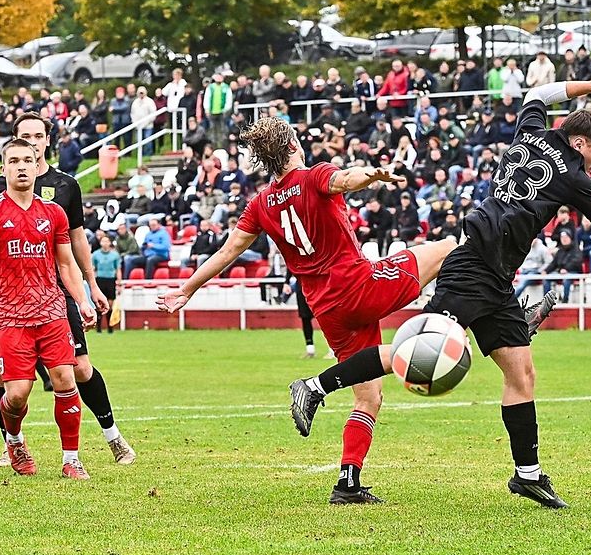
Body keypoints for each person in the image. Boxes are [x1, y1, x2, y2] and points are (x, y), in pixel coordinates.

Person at [287, 65, 591, 509]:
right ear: (579, 143)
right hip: (472, 264)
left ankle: (527, 474)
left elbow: (539, 92)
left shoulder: (532, 130)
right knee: (415, 349)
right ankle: (315, 386)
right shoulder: (574, 177)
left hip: (496, 278)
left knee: (522, 373)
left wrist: (589, 87)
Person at [156, 116, 474, 505]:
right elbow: (343, 180)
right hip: (358, 285)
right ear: (291, 147)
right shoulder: (311, 175)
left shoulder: (259, 204)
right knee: (450, 249)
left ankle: (348, 482)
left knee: (369, 396)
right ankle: (467, 318)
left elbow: (226, 252)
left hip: (327, 308)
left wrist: (186, 290)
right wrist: (371, 176)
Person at [0, 112, 137, 466]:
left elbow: (77, 242)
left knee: (79, 368)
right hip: (12, 300)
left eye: (38, 136)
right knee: (1, 377)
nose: (32, 143)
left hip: (57, 293)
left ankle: (112, 436)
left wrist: (91, 286)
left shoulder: (66, 185)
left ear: (48, 141)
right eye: (25, 137)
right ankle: (12, 445)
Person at [0, 139, 95, 479]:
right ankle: (15, 440)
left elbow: (66, 265)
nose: (21, 166)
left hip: (51, 311)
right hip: (10, 316)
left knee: (66, 378)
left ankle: (71, 459)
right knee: (16, 394)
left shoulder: (54, 213)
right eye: (13, 160)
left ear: (37, 166)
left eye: (27, 160)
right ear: (3, 169)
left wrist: (83, 298)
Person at [91, 233, 121, 333]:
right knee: (99, 304)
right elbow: (93, 268)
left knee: (110, 303)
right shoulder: (95, 254)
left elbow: (118, 269)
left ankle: (110, 327)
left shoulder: (115, 255)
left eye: (107, 241)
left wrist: (119, 283)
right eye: (103, 241)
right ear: (100, 243)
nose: (105, 243)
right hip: (100, 279)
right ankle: (98, 328)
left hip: (110, 279)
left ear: (110, 243)